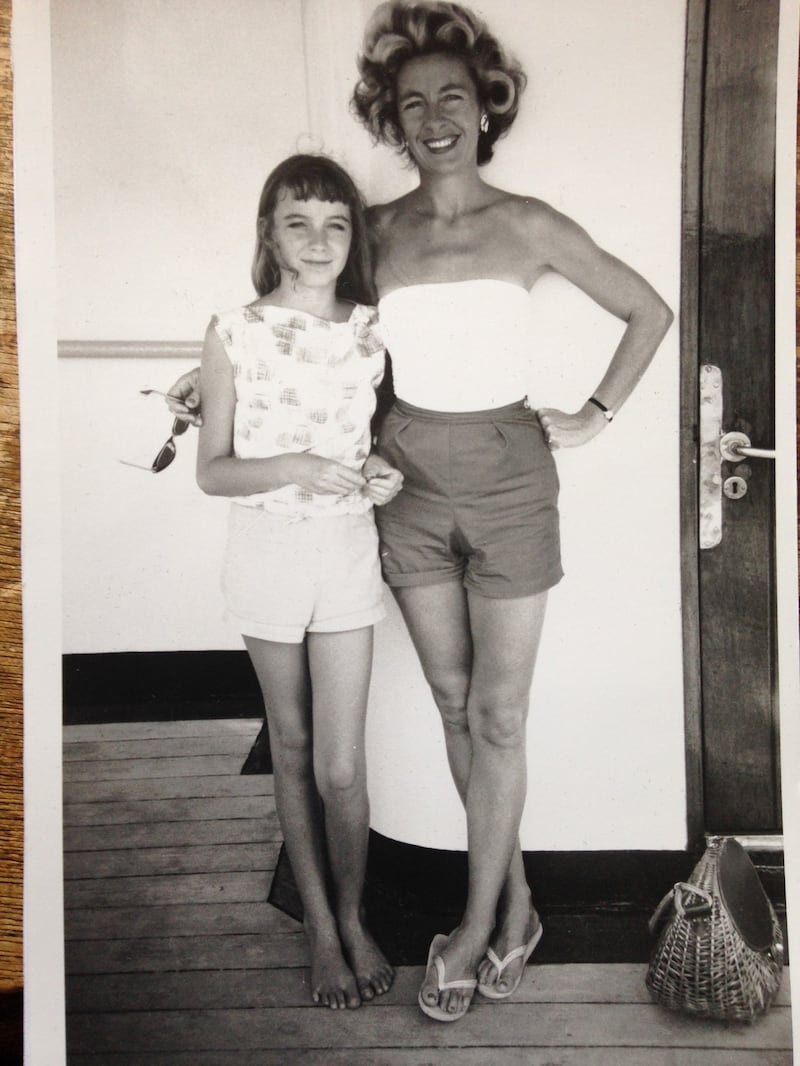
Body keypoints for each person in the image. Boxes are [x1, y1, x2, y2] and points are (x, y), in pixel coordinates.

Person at [166, 1, 673, 1023]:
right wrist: (205, 373)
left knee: (497, 710)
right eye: (410, 104)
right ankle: (515, 903)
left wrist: (593, 413)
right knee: (452, 704)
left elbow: (646, 309)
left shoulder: (527, 223)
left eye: (452, 96)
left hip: (509, 475)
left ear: (485, 108)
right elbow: (305, 328)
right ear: (389, 122)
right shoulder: (376, 234)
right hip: (405, 482)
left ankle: (477, 925)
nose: (433, 116)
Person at [194, 152, 402, 1010]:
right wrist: (290, 464)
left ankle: (354, 917)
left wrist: (381, 469)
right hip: (267, 555)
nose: (318, 241)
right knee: (291, 745)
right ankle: (318, 927)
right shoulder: (231, 331)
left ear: (352, 236)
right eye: (297, 222)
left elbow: (380, 440)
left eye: (335, 223)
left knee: (343, 768)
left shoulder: (373, 329)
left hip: (347, 550)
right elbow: (212, 472)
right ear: (269, 234)